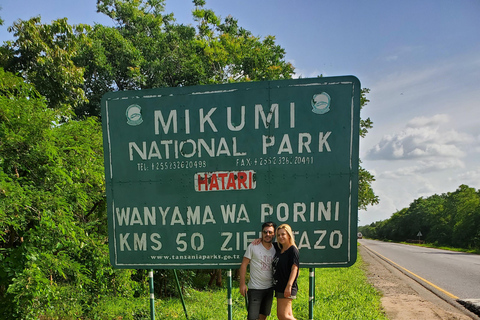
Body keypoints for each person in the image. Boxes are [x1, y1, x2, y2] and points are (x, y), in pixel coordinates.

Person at [239, 221, 277, 320]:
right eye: (265, 232)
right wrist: (242, 284)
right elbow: (244, 265)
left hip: (269, 289)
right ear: (261, 233)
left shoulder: (276, 248)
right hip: (255, 289)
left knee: (263, 317)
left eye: (270, 232)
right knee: (252, 317)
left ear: (274, 234)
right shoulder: (253, 246)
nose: (267, 234)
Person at [272, 224, 299, 320]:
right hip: (279, 286)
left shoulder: (292, 250)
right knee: (288, 315)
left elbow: (294, 269)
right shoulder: (279, 249)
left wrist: (289, 285)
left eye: (283, 234)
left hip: (287, 286)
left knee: (283, 316)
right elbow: (265, 242)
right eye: (278, 235)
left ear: (289, 235)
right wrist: (258, 240)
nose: (280, 237)